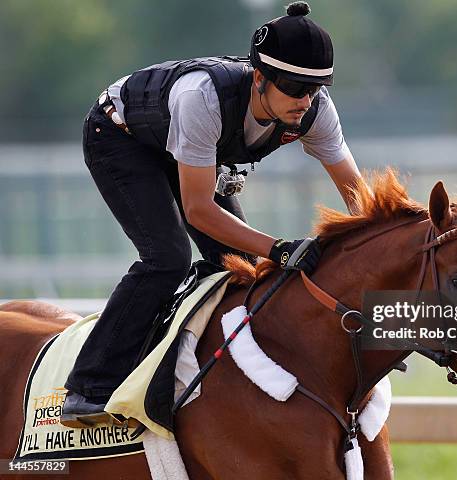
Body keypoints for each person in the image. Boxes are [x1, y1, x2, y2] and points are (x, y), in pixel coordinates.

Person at [60, 1, 362, 428]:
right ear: (260, 77)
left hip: (188, 150)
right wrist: (278, 248)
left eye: (315, 88)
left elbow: (357, 196)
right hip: (121, 138)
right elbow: (198, 210)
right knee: (167, 258)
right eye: (295, 87)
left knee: (244, 269)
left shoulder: (315, 111)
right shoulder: (202, 97)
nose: (305, 101)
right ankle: (88, 387)